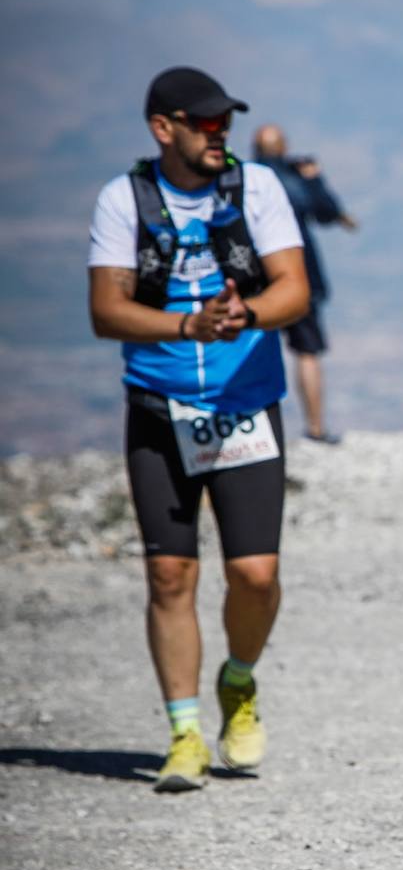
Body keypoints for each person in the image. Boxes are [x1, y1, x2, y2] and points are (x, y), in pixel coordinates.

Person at [87, 68, 308, 793]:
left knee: (256, 574)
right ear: (164, 128)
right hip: (158, 406)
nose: (220, 135)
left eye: (225, 124)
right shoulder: (125, 200)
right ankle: (183, 731)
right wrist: (187, 324)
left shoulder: (256, 190)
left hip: (244, 404)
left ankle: (238, 680)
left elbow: (293, 289)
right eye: (205, 124)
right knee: (169, 573)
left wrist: (242, 316)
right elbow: (106, 311)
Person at [251, 126, 357, 443]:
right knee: (307, 352)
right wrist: (314, 178)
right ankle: (315, 428)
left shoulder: (244, 182)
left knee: (253, 352)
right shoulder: (294, 180)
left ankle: (255, 430)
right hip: (299, 277)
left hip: (255, 281)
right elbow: (326, 213)